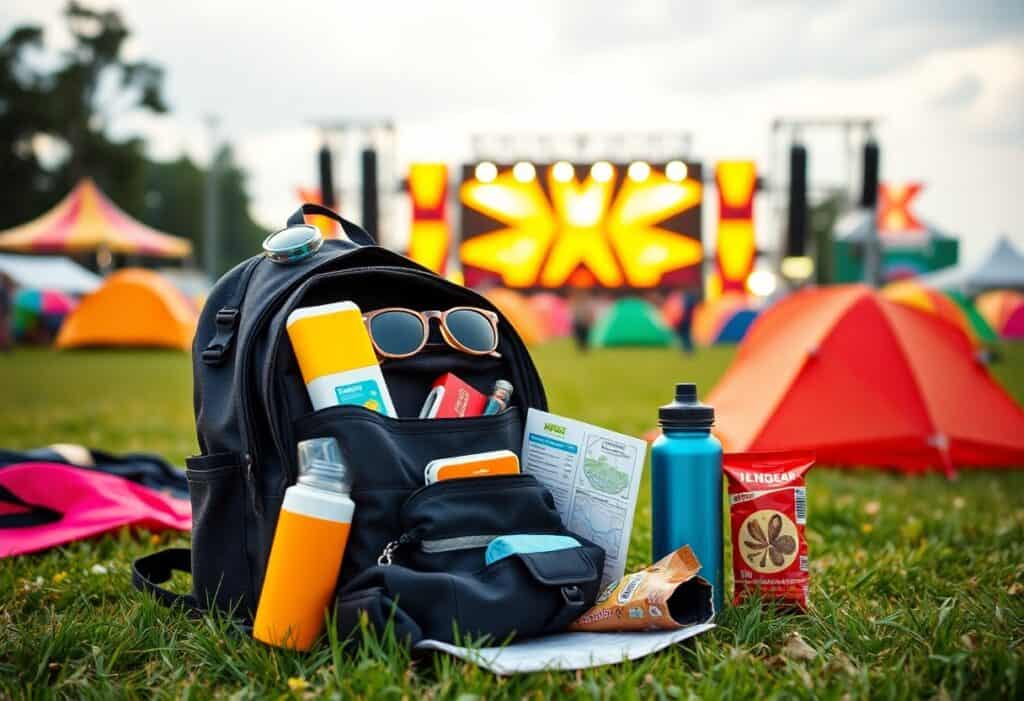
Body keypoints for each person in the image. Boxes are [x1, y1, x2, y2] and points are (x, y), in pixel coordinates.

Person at [675, 289, 696, 354]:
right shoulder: (689, 300)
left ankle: (687, 349)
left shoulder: (685, 301)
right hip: (686, 321)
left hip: (684, 321)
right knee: (686, 336)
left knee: (685, 336)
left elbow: (682, 312)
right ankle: (688, 349)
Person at [0, 274, 12, 351]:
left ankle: (5, 347)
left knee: (4, 330)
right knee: (4, 330)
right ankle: (5, 347)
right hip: (4, 312)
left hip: (3, 313)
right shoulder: (4, 290)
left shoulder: (3, 290)